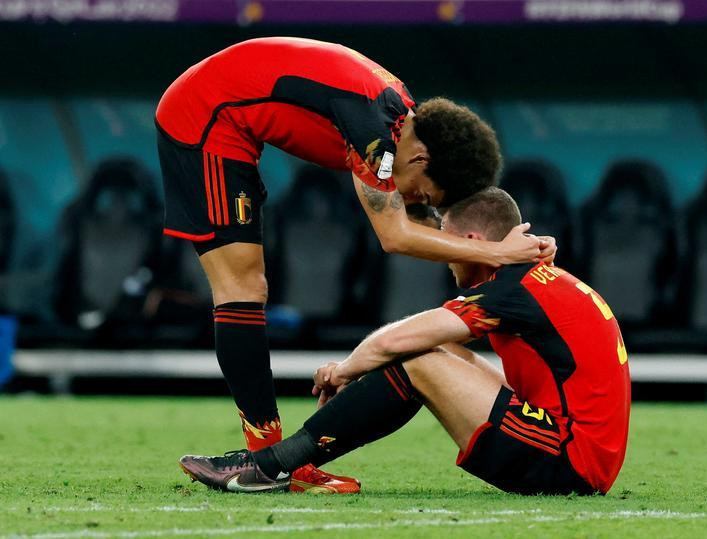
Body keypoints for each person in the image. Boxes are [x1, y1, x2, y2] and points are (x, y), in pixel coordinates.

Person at [157, 37, 556, 493]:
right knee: (242, 285)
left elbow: (425, 225)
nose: (413, 200)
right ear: (421, 159)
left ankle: (274, 464)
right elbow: (395, 235)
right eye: (422, 193)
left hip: (231, 115)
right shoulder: (377, 136)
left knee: (249, 284)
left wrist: (503, 246)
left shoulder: (403, 127)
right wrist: (500, 254)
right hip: (206, 114)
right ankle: (271, 465)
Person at [180, 187, 631, 495]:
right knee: (436, 352)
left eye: (446, 242)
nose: (443, 255)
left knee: (418, 359)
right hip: (575, 449)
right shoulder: (536, 279)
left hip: (570, 460)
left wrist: (346, 369)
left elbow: (398, 341)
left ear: (473, 241)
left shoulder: (514, 289)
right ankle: (289, 464)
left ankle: (270, 465)